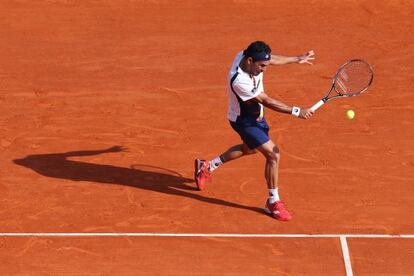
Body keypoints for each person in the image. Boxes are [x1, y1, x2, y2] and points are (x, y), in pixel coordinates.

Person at [194, 41, 315, 221]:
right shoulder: (238, 79)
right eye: (262, 66)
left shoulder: (248, 58)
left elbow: (270, 59)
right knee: (273, 155)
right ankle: (273, 202)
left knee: (249, 149)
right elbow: (265, 100)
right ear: (250, 61)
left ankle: (207, 166)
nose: (265, 69)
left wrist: (297, 59)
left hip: (256, 116)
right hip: (244, 121)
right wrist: (297, 111)